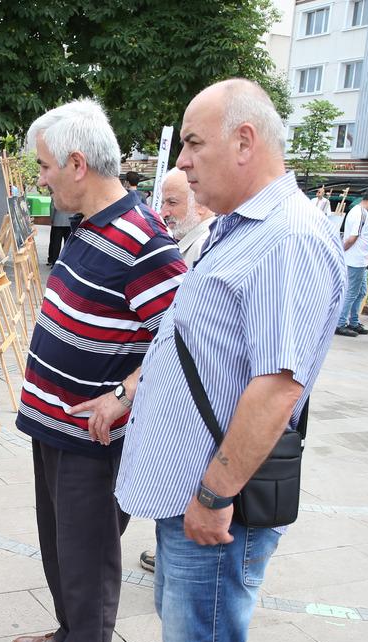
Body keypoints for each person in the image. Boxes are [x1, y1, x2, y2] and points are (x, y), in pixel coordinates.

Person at [104, 79, 343, 642]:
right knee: (189, 633)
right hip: (189, 489)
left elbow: (276, 388)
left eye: (194, 143)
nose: (183, 161)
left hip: (215, 500)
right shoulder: (239, 228)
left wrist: (213, 492)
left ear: (246, 140)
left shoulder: (291, 238)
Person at [11, 98, 186, 642]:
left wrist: (124, 395)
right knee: (59, 544)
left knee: (88, 555)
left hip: (93, 433)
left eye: (46, 166)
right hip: (53, 423)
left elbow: (181, 338)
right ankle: (69, 632)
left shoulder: (143, 238)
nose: (42, 178)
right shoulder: (90, 224)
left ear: (78, 163)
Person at [135, 167, 218, 575]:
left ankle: (176, 550)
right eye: (162, 201)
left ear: (199, 204)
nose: (162, 211)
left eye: (172, 202)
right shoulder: (185, 240)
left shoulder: (204, 244)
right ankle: (168, 547)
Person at [335, 186, 368, 337]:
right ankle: (340, 323)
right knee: (352, 292)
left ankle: (353, 321)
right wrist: (341, 252)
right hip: (355, 260)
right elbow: (352, 237)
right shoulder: (359, 213)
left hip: (361, 260)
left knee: (360, 291)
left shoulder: (363, 212)